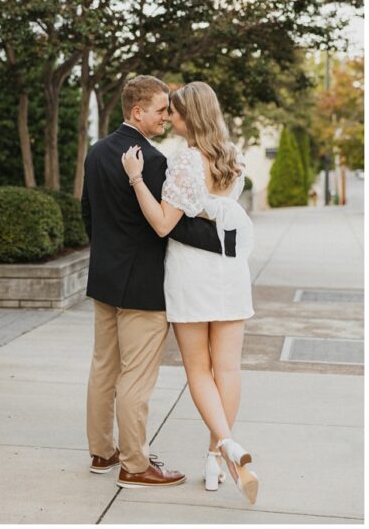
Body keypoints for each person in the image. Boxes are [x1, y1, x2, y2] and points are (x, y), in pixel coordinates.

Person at [80, 75, 238, 491]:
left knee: (103, 367)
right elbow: (170, 227)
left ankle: (102, 452)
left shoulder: (96, 153)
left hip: (104, 279)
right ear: (138, 112)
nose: (167, 117)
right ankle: (134, 464)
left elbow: (88, 215)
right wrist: (228, 239)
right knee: (136, 377)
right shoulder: (152, 161)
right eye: (161, 110)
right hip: (144, 286)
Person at [121, 80, 257, 503]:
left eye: (174, 112)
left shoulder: (185, 161)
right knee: (228, 370)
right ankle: (216, 459)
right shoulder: (232, 156)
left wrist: (137, 180)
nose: (169, 118)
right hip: (230, 270)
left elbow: (163, 224)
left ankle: (230, 445)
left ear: (189, 116)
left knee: (199, 370)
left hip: (192, 274)